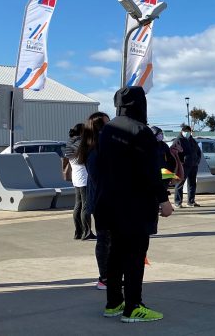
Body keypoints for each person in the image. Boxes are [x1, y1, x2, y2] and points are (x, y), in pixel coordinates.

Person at [93, 86, 173, 323]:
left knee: (116, 253)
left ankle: (113, 302)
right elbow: (149, 171)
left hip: (108, 202)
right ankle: (133, 306)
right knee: (135, 256)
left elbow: (100, 166)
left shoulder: (108, 130)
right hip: (135, 205)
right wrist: (163, 199)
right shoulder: (141, 131)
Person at [78, 112, 110, 288]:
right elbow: (100, 179)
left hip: (103, 200)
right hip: (102, 201)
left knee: (108, 240)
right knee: (105, 240)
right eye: (107, 124)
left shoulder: (96, 148)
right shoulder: (95, 151)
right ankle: (104, 278)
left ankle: (108, 276)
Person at [64, 123, 92, 240]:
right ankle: (87, 232)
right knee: (86, 205)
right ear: (82, 131)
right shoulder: (81, 143)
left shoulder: (69, 142)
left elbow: (67, 159)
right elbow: (86, 158)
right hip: (84, 177)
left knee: (78, 205)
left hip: (76, 176)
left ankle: (78, 232)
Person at [174, 125, 201, 208]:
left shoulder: (192, 140)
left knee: (192, 184)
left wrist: (197, 160)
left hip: (193, 165)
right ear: (182, 132)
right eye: (187, 132)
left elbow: (198, 151)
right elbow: (175, 153)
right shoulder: (178, 140)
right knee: (180, 183)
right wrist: (181, 162)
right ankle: (178, 202)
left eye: (189, 132)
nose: (188, 134)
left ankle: (191, 201)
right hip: (184, 166)